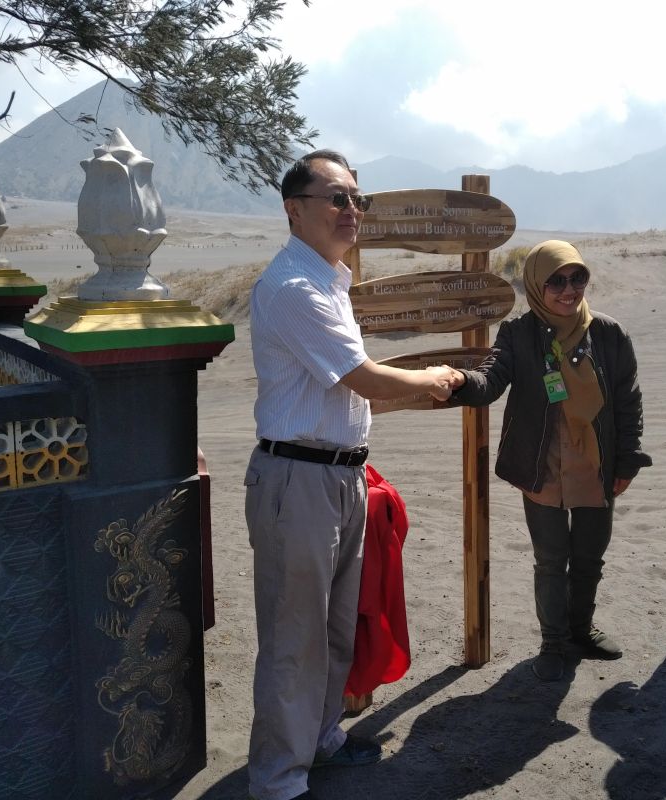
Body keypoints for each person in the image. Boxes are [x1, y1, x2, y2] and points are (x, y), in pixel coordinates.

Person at [245, 149, 456, 800]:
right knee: (294, 635)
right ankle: (279, 779)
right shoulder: (294, 288)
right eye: (337, 198)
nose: (351, 211)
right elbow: (361, 377)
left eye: (357, 199)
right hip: (298, 482)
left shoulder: (329, 284)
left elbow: (349, 391)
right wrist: (435, 379)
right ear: (294, 209)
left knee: (337, 624)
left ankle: (321, 739)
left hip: (338, 480)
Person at [450, 240, 651, 681]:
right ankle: (554, 643)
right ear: (537, 285)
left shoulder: (609, 333)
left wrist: (628, 461)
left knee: (589, 557)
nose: (568, 290)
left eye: (577, 278)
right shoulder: (519, 334)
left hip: (596, 463)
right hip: (542, 464)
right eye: (556, 281)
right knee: (550, 558)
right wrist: (461, 381)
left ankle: (581, 631)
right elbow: (493, 378)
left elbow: (628, 400)